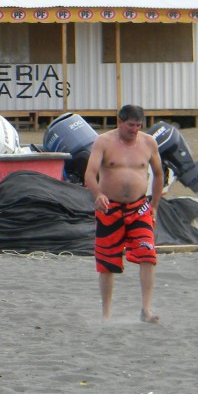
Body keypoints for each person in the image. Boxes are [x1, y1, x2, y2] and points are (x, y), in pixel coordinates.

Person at [84, 104, 165, 324]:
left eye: (138, 126)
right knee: (107, 262)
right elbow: (90, 174)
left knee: (148, 255)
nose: (134, 130)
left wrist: (155, 205)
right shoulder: (103, 142)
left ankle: (146, 309)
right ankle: (106, 314)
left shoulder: (148, 142)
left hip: (139, 208)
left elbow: (159, 174)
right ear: (119, 122)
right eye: (130, 125)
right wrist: (97, 194)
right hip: (109, 209)